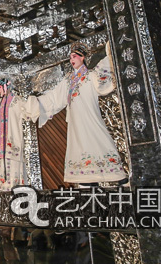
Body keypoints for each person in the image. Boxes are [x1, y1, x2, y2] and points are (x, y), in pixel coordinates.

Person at [33, 41, 127, 185]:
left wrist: (111, 53)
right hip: (76, 122)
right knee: (79, 143)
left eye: (75, 56)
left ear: (82, 58)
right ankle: (86, 177)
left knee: (98, 138)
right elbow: (55, 97)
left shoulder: (91, 75)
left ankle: (115, 174)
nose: (72, 60)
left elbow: (104, 83)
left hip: (89, 116)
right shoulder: (68, 80)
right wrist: (34, 104)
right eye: (70, 57)